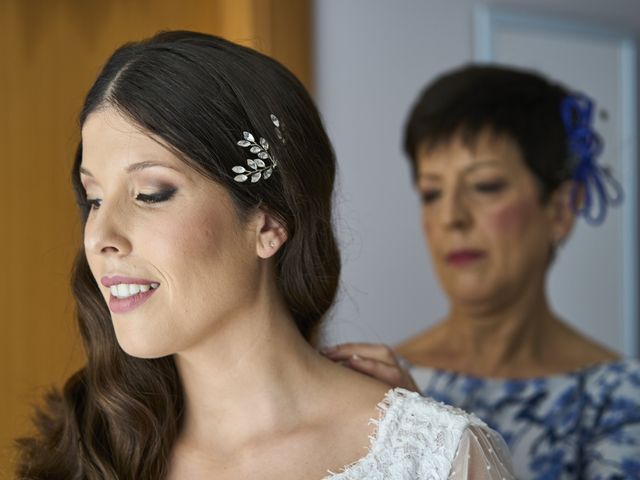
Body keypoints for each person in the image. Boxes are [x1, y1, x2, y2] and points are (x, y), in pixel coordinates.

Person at [15, 34, 513, 479]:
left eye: (150, 193)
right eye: (94, 199)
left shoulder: (437, 459)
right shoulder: (82, 456)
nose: (99, 234)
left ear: (269, 223)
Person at [323, 65, 640, 479]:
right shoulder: (376, 382)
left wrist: (432, 438)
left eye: (486, 185)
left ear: (561, 209)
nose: (452, 217)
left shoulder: (621, 398)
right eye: (432, 193)